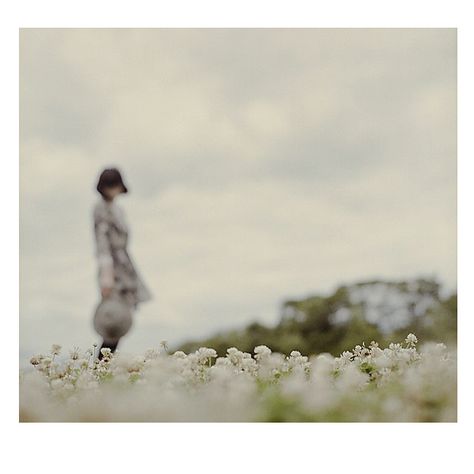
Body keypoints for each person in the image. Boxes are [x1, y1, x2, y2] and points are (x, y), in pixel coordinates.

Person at [92, 167, 152, 360]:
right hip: (113, 269)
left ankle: (102, 367)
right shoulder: (100, 208)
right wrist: (106, 276)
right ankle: (99, 368)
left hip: (125, 267)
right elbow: (102, 244)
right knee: (113, 319)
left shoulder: (118, 209)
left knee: (121, 318)